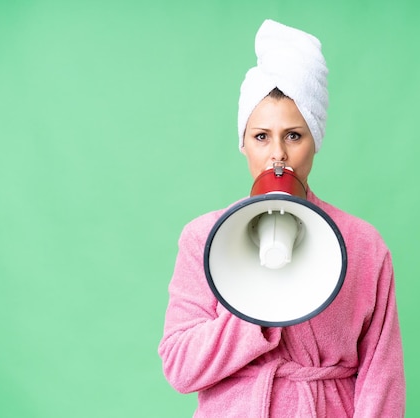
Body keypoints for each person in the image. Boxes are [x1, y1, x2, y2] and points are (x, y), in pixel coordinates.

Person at [158, 19, 405, 417]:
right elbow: (180, 368)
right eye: (261, 136)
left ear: (316, 139)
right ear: (243, 144)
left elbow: (383, 376)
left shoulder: (363, 244)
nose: (277, 155)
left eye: (293, 135)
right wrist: (256, 314)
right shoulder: (203, 238)